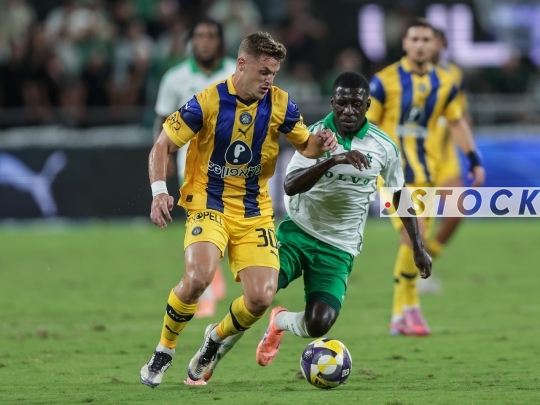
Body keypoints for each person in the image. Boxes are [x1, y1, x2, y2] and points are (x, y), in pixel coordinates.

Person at [181, 71, 433, 385]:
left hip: (339, 246)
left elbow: (398, 194)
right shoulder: (312, 137)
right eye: (342, 103)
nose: (348, 110)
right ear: (333, 103)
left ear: (367, 105)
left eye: (356, 104)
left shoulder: (384, 146)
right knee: (258, 296)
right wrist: (332, 160)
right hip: (297, 232)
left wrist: (418, 247)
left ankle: (280, 322)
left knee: (318, 324)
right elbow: (289, 185)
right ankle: (214, 347)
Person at [140, 31, 338, 388]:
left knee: (261, 298)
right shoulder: (207, 101)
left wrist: (321, 143)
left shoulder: (280, 103)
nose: (269, 80)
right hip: (208, 202)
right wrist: (159, 192)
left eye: (273, 73)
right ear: (241, 64)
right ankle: (164, 349)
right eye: (263, 72)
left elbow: (306, 146)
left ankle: (214, 340)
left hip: (254, 210)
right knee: (198, 277)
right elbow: (162, 145)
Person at [366, 18, 485, 336]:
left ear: (435, 46)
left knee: (414, 240)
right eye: (415, 39)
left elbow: (456, 121)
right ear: (405, 43)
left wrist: (473, 158)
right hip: (393, 175)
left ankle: (400, 314)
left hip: (427, 173)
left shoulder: (446, 82)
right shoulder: (384, 81)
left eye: (426, 40)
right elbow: (367, 124)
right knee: (414, 233)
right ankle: (409, 308)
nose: (420, 45)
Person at [153, 18, 236, 317]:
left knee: (229, 226)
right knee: (203, 224)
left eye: (211, 35)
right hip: (192, 166)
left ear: (221, 41)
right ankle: (207, 293)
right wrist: (163, 160)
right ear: (191, 42)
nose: (205, 41)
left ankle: (216, 272)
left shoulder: (236, 73)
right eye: (199, 35)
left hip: (234, 165)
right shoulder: (174, 78)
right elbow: (163, 122)